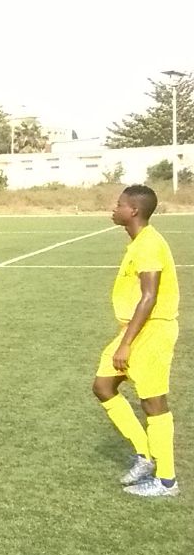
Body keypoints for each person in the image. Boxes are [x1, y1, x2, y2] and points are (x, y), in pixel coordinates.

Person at [92, 185, 181, 498]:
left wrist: (126, 343)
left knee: (153, 402)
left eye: (119, 204)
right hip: (134, 328)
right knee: (103, 386)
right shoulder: (139, 242)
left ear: (133, 211)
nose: (113, 208)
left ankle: (167, 480)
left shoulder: (149, 245)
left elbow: (149, 296)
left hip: (152, 331)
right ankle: (145, 454)